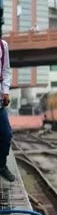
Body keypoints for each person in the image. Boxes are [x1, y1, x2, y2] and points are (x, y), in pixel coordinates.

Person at [0, 38, 13, 182]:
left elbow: (6, 70)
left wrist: (6, 91)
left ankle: (2, 166)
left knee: (7, 134)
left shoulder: (3, 46)